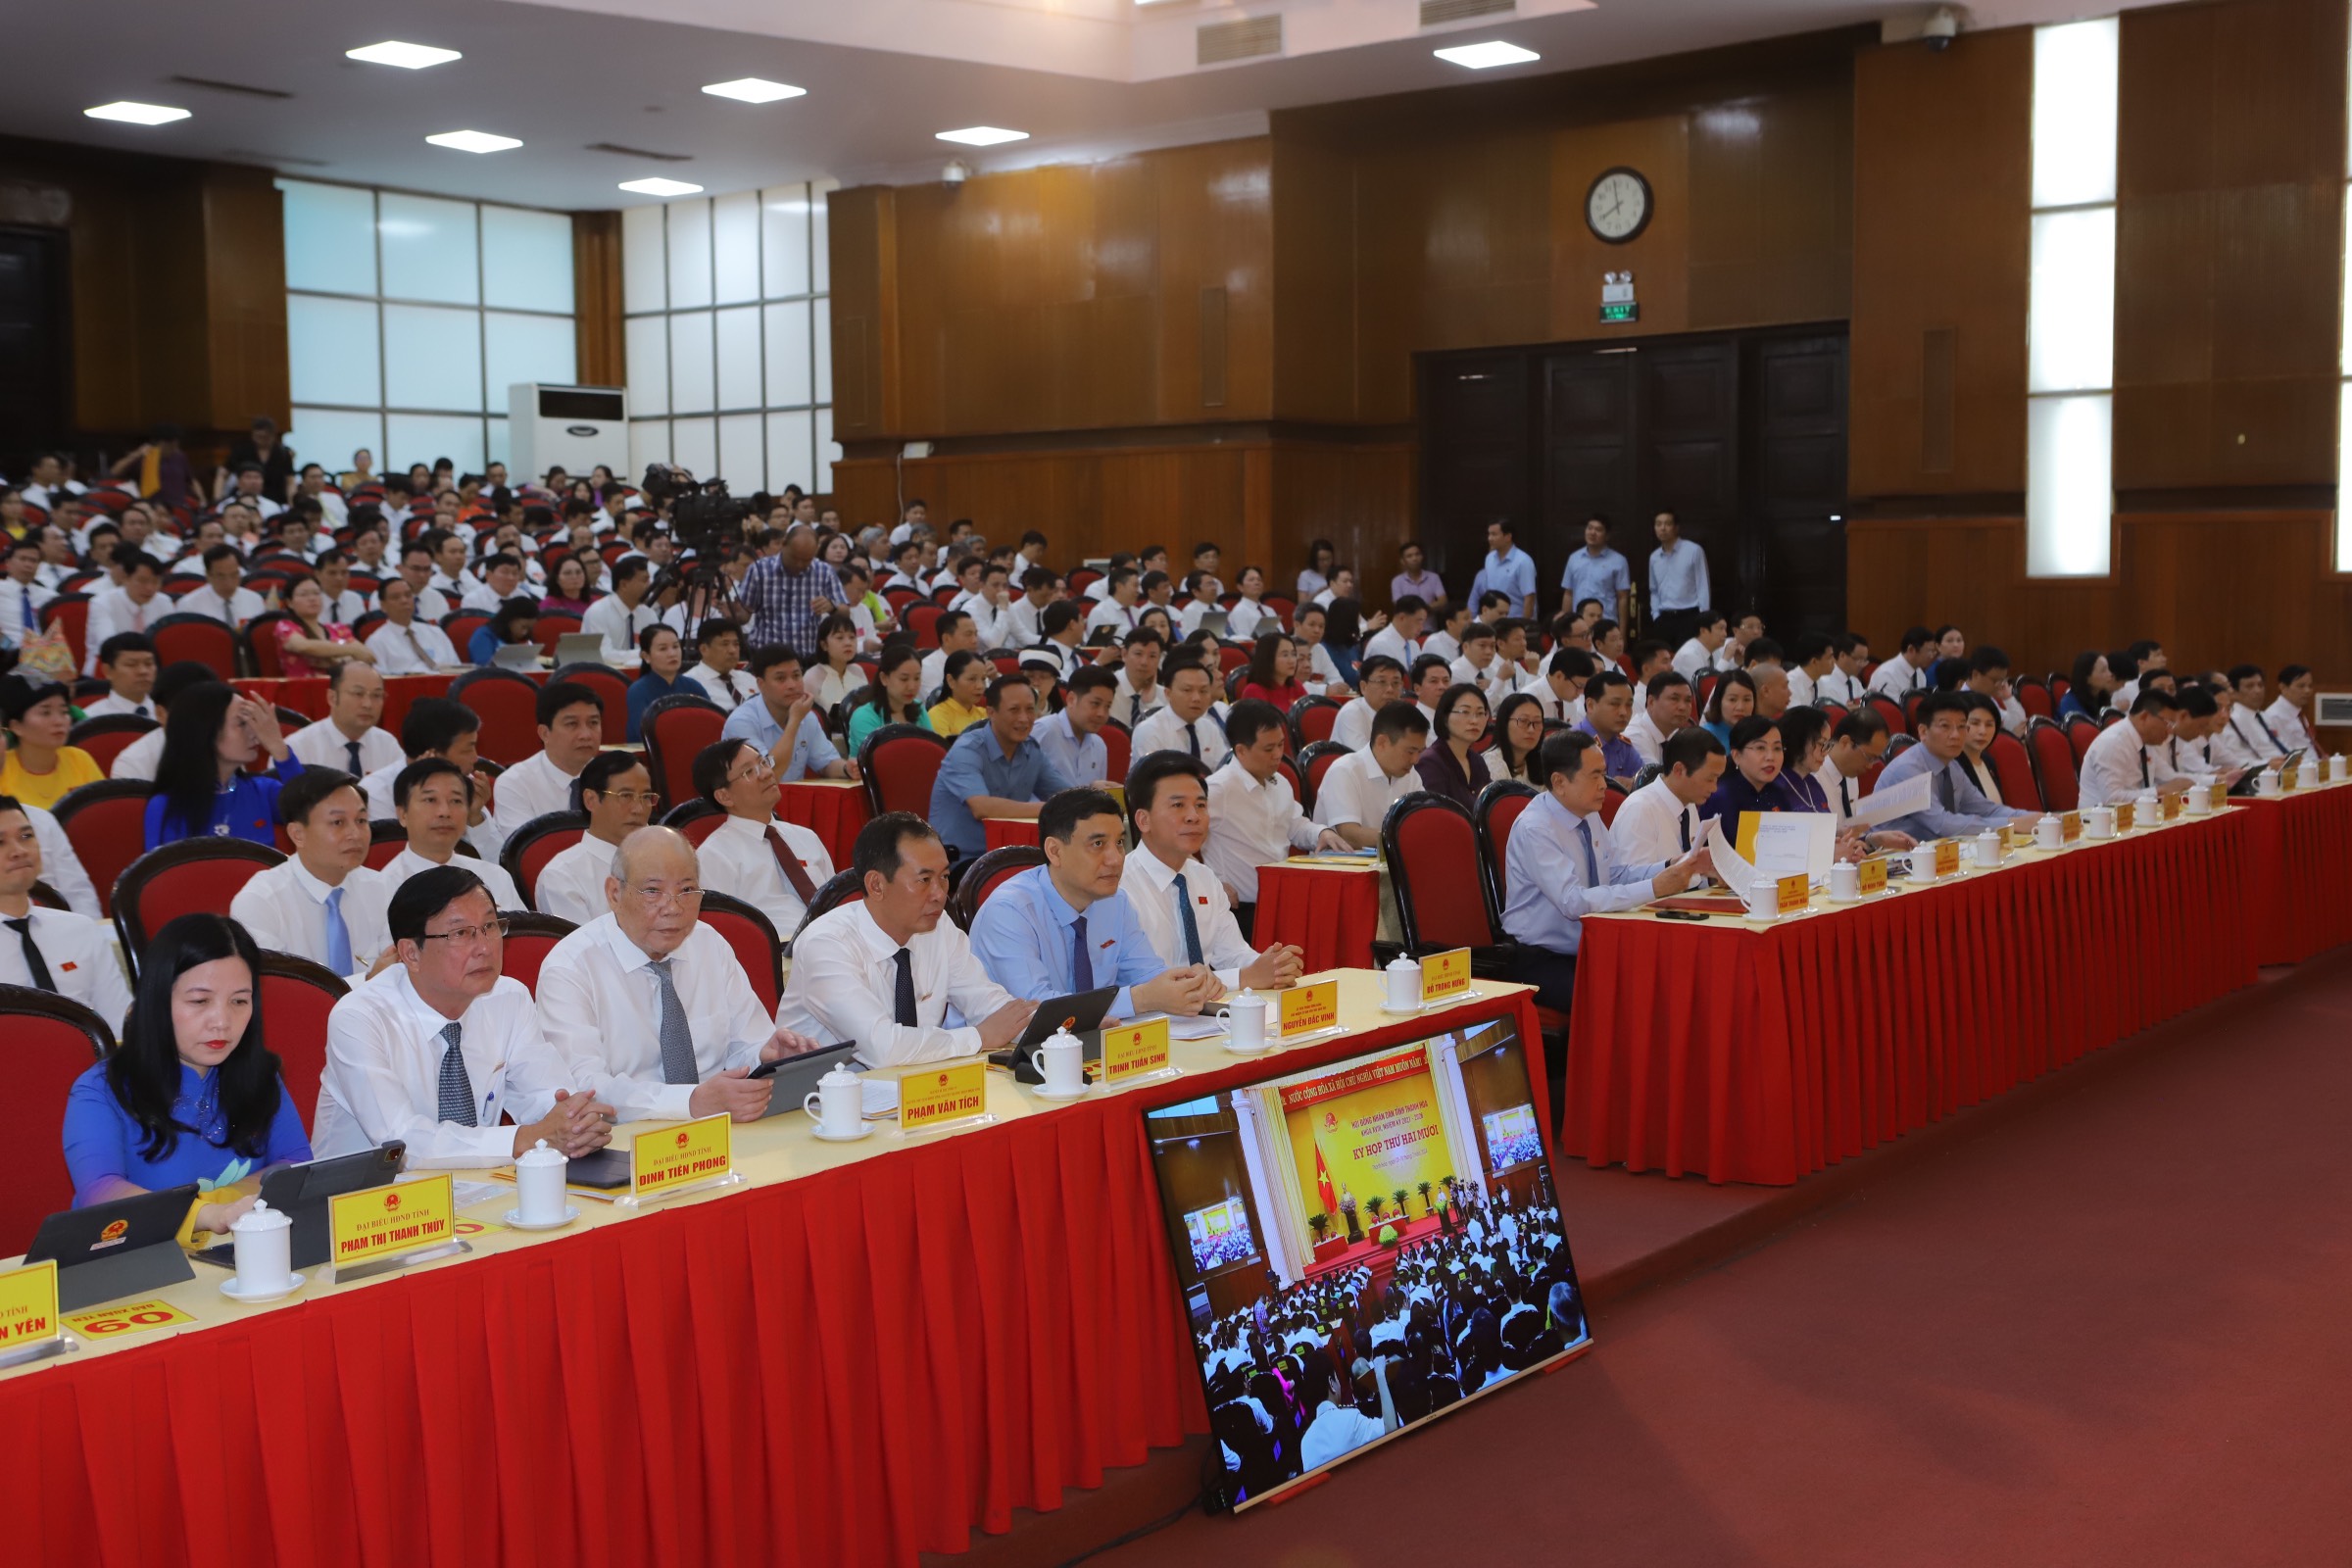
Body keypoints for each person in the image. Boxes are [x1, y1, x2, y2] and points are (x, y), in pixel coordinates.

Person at [314, 866, 613, 1165]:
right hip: (370, 1200)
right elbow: (401, 1142)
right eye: (461, 933)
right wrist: (523, 1138)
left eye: (490, 927)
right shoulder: (359, 1017)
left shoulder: (508, 997)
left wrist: (575, 1122)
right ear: (411, 954)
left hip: (481, 1188)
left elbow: (544, 1096)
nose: (484, 948)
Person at [536, 827, 824, 1124]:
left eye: (687, 891)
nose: (673, 908)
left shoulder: (709, 944)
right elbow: (585, 1087)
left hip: (723, 1128)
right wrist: (689, 1103)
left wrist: (765, 1056)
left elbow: (746, 1043)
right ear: (614, 893)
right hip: (626, 1140)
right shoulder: (570, 967)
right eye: (652, 891)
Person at [62, 913, 311, 1231]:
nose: (222, 1020)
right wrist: (207, 1216)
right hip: (132, 1265)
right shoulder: (100, 1090)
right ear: (157, 1000)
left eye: (239, 1001)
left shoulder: (259, 1075)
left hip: (240, 1255)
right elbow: (101, 1193)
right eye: (200, 1000)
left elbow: (295, 1165)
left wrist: (225, 1204)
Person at [775, 812, 1036, 1066]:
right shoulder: (826, 944)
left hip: (917, 1091)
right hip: (822, 1101)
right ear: (876, 885)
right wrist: (979, 1037)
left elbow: (989, 1005)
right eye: (924, 880)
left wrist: (1055, 1032)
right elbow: (881, 1048)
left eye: (944, 878)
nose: (939, 895)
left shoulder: (939, 927)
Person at [1501, 730, 1711, 1012]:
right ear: (1559, 782)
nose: (1604, 785)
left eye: (1604, 774)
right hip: (1542, 958)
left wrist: (1669, 867)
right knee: (1615, 1000)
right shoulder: (1536, 828)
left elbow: (1614, 875)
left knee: (1667, 979)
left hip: (1594, 947)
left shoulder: (1589, 815)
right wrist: (1655, 888)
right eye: (1595, 775)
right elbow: (1573, 902)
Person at [968, 788, 1219, 1019]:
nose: (1115, 859)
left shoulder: (1114, 901)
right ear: (1055, 851)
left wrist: (1187, 983)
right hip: (1001, 1057)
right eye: (1098, 844)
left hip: (1091, 1045)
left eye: (1119, 843)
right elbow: (1036, 1007)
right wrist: (1140, 999)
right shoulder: (1010, 912)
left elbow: (1146, 974)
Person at [228, 769, 392, 981]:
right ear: (297, 834)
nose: (355, 834)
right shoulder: (260, 901)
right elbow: (277, 989)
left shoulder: (383, 888)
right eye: (338, 822)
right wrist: (367, 982)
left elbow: (396, 973)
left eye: (361, 820)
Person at [1201, 701, 1349, 914]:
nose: (1278, 754)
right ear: (1241, 750)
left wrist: (1321, 833)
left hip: (1282, 899)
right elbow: (1178, 841)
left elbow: (1294, 825)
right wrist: (1210, 884)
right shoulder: (1218, 789)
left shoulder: (1280, 782)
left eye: (1281, 745)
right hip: (1239, 910)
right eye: (1269, 749)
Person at [0, 795, 133, 1029]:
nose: (19, 851)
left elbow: (121, 1027)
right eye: (0, 842)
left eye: (26, 836)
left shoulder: (80, 930)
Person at [692, 738, 838, 937]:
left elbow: (836, 901)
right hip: (776, 955)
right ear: (724, 797)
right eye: (748, 772)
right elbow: (721, 932)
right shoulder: (714, 856)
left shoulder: (806, 837)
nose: (767, 773)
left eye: (763, 763)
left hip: (834, 941)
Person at [928, 675, 1077, 859]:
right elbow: (982, 807)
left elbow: (1068, 797)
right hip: (960, 860)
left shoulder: (1031, 750)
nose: (1024, 718)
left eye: (1030, 709)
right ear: (991, 712)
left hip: (1009, 856)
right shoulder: (967, 750)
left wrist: (1091, 790)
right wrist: (1049, 809)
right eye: (1014, 710)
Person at [144, 686, 302, 848]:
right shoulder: (167, 806)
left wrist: (279, 749)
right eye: (242, 723)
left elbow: (311, 813)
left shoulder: (262, 791)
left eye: (251, 721)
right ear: (205, 732)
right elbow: (164, 871)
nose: (254, 732)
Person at [1870, 691, 2036, 841]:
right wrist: (2012, 824)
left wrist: (2039, 818)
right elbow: (1943, 824)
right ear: (1923, 732)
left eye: (1962, 727)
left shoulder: (1952, 766)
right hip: (1891, 860)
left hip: (1932, 853)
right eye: (1945, 726)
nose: (1956, 735)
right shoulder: (1907, 769)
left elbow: (1987, 809)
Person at [381, 759, 524, 907]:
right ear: (403, 814)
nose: (444, 812)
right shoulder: (382, 891)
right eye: (430, 800)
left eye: (456, 801)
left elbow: (524, 931)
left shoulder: (496, 878)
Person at [533, 754, 659, 923]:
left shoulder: (668, 858)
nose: (638, 808)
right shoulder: (562, 876)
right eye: (625, 796)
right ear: (590, 800)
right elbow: (581, 948)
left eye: (645, 797)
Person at [719, 645, 858, 783]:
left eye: (797, 676)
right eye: (781, 679)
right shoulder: (741, 722)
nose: (792, 685)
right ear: (761, 684)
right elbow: (767, 771)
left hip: (792, 799)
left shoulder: (807, 717)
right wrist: (794, 721)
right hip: (751, 802)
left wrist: (846, 768)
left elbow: (826, 763)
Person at [489, 680, 606, 842]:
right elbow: (526, 853)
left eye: (593, 723)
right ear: (544, 733)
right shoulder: (515, 783)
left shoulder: (614, 776)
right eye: (572, 724)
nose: (586, 734)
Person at [1314, 702, 1428, 849]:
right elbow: (1349, 834)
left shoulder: (1411, 775)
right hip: (1342, 867)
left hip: (1387, 864)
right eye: (1410, 752)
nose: (1415, 760)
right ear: (1382, 742)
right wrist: (1403, 837)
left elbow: (1422, 820)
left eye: (1420, 752)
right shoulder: (1345, 770)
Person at [1611, 727, 1726, 865]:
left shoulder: (1688, 804)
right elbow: (1633, 881)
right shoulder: (1639, 809)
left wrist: (1711, 878)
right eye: (1709, 779)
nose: (1714, 788)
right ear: (1679, 770)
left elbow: (1692, 879)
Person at [2078, 689, 2198, 807]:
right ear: (2144, 717)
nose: (2170, 730)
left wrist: (2212, 781)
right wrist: (2158, 792)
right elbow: (2111, 799)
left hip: (2134, 817)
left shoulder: (2146, 742)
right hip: (2098, 821)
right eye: (2167, 723)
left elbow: (2170, 778)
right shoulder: (2113, 742)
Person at [0, 677, 103, 810]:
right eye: (45, 713)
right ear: (16, 726)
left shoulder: (79, 759)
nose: (59, 721)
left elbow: (102, 810)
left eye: (64, 712)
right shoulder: (3, 768)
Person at [285, 662, 402, 777]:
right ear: (332, 698)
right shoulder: (299, 747)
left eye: (376, 695)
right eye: (358, 693)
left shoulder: (388, 744)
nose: (368, 704)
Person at [1132, 657, 1231, 769]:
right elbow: (1154, 782)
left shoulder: (1210, 728)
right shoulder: (1150, 731)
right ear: (1168, 693)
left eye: (1203, 691)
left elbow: (1224, 771)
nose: (1196, 698)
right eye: (1187, 690)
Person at [79, 551, 167, 675]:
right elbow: (108, 647)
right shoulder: (102, 603)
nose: (150, 588)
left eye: (155, 582)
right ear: (125, 578)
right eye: (142, 581)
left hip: (150, 673)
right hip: (106, 674)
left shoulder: (164, 602)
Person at [274, 576, 373, 677]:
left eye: (317, 593)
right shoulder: (285, 626)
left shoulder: (338, 629)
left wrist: (335, 662)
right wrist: (351, 650)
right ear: (289, 603)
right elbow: (304, 646)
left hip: (338, 689)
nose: (312, 598)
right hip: (302, 689)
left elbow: (368, 656)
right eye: (304, 594)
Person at [1413, 684, 1491, 813]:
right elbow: (1435, 814)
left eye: (1480, 713)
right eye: (1465, 712)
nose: (1474, 721)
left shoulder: (1477, 761)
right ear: (1445, 717)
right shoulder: (1430, 762)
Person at [845, 644, 932, 754]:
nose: (912, 686)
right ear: (884, 678)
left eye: (917, 678)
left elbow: (932, 750)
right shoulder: (864, 717)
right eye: (904, 679)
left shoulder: (918, 709)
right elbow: (881, 762)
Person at [365, 577, 463, 675]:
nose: (404, 600)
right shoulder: (377, 642)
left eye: (408, 595)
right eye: (395, 597)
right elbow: (379, 680)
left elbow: (457, 669)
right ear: (383, 606)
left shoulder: (436, 632)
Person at [1036, 663, 1114, 784]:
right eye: (1095, 704)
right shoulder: (1044, 730)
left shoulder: (1099, 745)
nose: (1102, 714)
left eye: (1107, 706)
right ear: (1071, 699)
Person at [1644, 512, 1710, 649]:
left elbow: (1703, 585)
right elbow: (1654, 590)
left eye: (1667, 524)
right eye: (1658, 524)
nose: (1662, 528)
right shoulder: (1654, 557)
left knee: (1688, 660)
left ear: (1676, 528)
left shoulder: (1693, 550)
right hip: (1664, 618)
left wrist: (1704, 618)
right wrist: (1656, 615)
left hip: (1690, 616)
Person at [1573, 670, 1643, 783]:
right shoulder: (1571, 745)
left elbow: (1646, 781)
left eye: (1629, 705)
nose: (1623, 712)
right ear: (1590, 705)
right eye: (1615, 704)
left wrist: (1634, 784)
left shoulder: (1624, 746)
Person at [624, 624, 693, 741]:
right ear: (646, 656)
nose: (672, 653)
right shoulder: (638, 691)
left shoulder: (693, 686)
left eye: (676, 646)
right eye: (663, 649)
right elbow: (642, 735)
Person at [1559, 515, 1632, 625]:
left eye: (1598, 530)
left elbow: (1622, 598)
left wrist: (1621, 632)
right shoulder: (1574, 558)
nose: (1592, 533)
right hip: (1578, 623)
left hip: (1605, 622)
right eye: (1589, 528)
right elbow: (1568, 593)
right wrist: (1565, 624)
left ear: (1607, 535)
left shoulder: (1619, 561)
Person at [1330, 656, 1406, 751]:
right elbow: (1363, 757)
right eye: (1382, 682)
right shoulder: (1352, 713)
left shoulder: (1403, 713)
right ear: (1364, 687)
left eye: (1395, 683)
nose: (1390, 689)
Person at [81, 633, 159, 719]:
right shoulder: (91, 718)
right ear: (107, 671)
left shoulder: (168, 714)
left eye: (149, 664)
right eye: (131, 664)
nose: (143, 671)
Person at [1624, 669, 1690, 766]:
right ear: (1651, 702)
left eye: (1688, 700)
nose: (1682, 707)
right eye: (1674, 699)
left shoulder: (1677, 735)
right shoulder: (1635, 735)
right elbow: (1655, 779)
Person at [808, 612, 869, 712]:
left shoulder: (857, 670)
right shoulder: (812, 677)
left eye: (852, 637)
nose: (848, 643)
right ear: (824, 645)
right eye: (840, 638)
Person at [1484, 692, 1546, 785]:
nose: (1531, 730)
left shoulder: (1540, 762)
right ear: (1504, 724)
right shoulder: (1492, 763)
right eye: (1523, 721)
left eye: (1537, 722)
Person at [928, 650, 991, 737]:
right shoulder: (937, 715)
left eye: (983, 679)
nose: (980, 686)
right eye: (972, 679)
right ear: (951, 681)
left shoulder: (985, 714)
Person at [1240, 631, 1308, 710]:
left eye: (1293, 654)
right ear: (1268, 658)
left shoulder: (1296, 685)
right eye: (1285, 655)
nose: (1292, 660)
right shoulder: (1254, 690)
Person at [1868, 626, 1936, 699]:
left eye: (1933, 651)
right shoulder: (1887, 673)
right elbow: (1888, 708)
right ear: (1911, 649)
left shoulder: (1919, 674)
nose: (1932, 656)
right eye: (1929, 651)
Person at [466, 598, 538, 667]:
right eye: (523, 627)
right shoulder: (483, 636)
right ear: (510, 619)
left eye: (529, 629)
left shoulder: (524, 639)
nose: (525, 632)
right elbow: (485, 666)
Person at [2264, 664, 2318, 756]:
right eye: (2301, 686)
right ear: (2283, 687)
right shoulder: (2274, 716)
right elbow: (2284, 754)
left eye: (2310, 686)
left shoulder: (2298, 713)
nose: (2307, 691)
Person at [1699, 669, 1755, 748]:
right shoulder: (1705, 736)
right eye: (1732, 699)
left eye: (1747, 700)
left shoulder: (1759, 733)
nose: (1740, 707)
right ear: (1719, 701)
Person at [1671, 612, 1729, 682]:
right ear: (1703, 631)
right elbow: (1707, 689)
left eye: (1725, 629)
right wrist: (1726, 658)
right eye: (1720, 628)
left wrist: (1739, 661)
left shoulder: (1715, 649)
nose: (1725, 634)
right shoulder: (1689, 655)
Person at [1390, 541, 1446, 608]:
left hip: (1429, 617)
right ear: (1402, 561)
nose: (1414, 558)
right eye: (1409, 556)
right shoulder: (1397, 581)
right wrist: (1425, 609)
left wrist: (1424, 609)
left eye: (1417, 554)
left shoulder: (1434, 577)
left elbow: (1443, 601)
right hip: (1408, 618)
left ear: (1422, 557)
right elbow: (1399, 605)